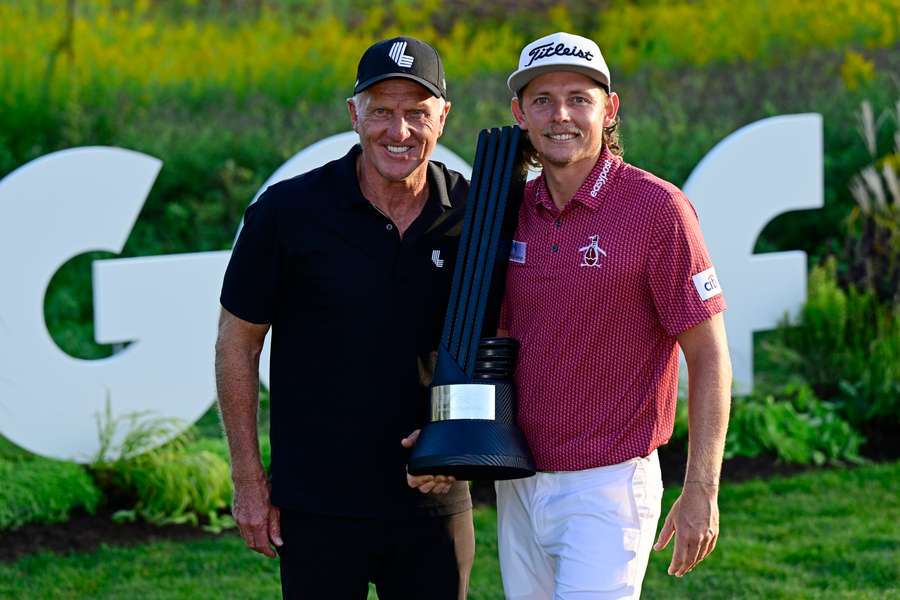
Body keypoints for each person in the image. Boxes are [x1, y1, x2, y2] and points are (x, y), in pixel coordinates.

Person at [215, 36, 474, 600]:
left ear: (444, 118)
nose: (398, 131)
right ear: (354, 114)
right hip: (316, 502)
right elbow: (237, 344)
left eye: (416, 113)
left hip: (432, 495)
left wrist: (456, 440)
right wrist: (248, 480)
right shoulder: (286, 214)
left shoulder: (474, 215)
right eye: (381, 110)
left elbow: (499, 339)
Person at [497, 32, 732, 598]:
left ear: (610, 108)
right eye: (542, 100)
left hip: (608, 485)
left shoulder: (657, 209)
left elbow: (709, 354)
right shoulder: (508, 207)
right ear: (519, 113)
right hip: (517, 483)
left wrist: (702, 486)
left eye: (579, 98)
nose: (561, 116)